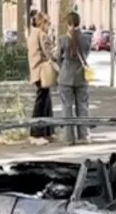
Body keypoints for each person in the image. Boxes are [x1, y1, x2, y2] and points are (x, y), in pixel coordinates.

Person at [57, 11, 91, 145]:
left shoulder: (62, 39)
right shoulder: (87, 38)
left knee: (67, 106)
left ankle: (69, 137)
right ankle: (84, 135)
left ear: (67, 23)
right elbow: (87, 54)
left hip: (66, 76)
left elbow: (58, 58)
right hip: (81, 75)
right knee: (82, 105)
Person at [27, 11, 55, 145]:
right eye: (47, 23)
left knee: (46, 101)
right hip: (42, 71)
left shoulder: (32, 34)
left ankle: (47, 131)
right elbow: (49, 52)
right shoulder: (41, 34)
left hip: (35, 71)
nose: (48, 26)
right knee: (41, 103)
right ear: (41, 23)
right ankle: (36, 133)